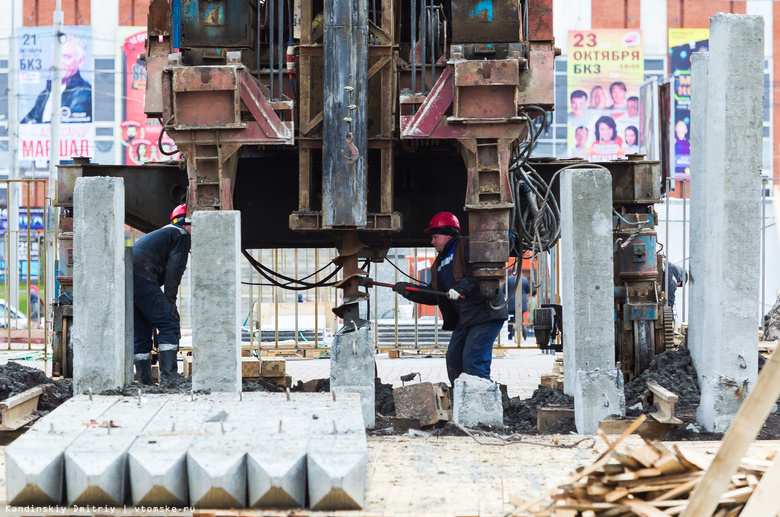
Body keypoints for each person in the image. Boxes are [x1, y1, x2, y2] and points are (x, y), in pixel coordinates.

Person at [393, 212, 508, 384]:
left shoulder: (468, 246)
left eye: (435, 237)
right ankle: (460, 401)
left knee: (473, 363)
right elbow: (434, 293)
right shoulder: (440, 263)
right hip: (466, 318)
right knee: (454, 361)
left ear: (448, 234)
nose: (432, 242)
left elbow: (482, 269)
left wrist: (462, 288)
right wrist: (409, 291)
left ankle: (483, 403)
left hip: (485, 315)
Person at [132, 204, 191, 385]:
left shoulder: (164, 235)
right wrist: (171, 303)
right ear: (187, 222)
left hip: (128, 280)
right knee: (169, 323)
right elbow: (174, 272)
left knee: (141, 332)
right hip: (142, 277)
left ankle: (145, 382)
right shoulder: (181, 235)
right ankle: (169, 377)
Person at [22, 34, 92, 124]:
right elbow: (25, 123)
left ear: (80, 61)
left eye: (66, 57)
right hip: (42, 138)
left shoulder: (84, 92)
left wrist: (36, 126)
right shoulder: (45, 94)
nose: (59, 62)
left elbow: (68, 124)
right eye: (56, 56)